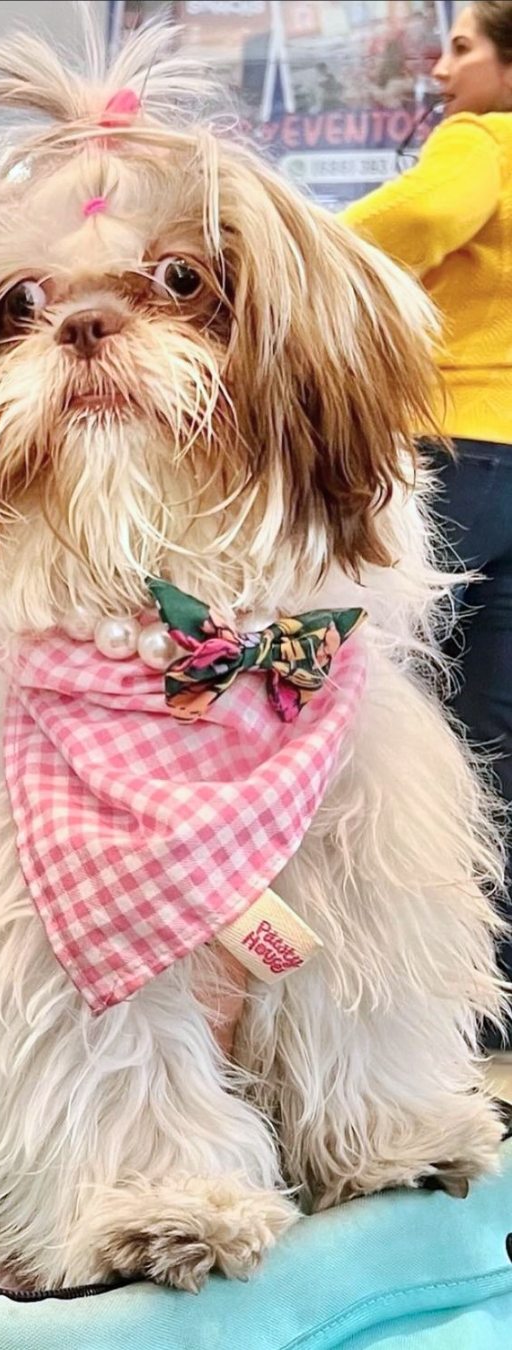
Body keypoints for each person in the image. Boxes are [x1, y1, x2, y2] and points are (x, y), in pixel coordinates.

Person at [341, 0, 512, 1045]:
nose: (441, 71)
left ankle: (382, 1002)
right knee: (493, 742)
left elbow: (413, 222)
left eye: (462, 48)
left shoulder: (482, 140)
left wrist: (283, 250)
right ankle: (485, 1012)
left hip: (452, 456)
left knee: (373, 728)